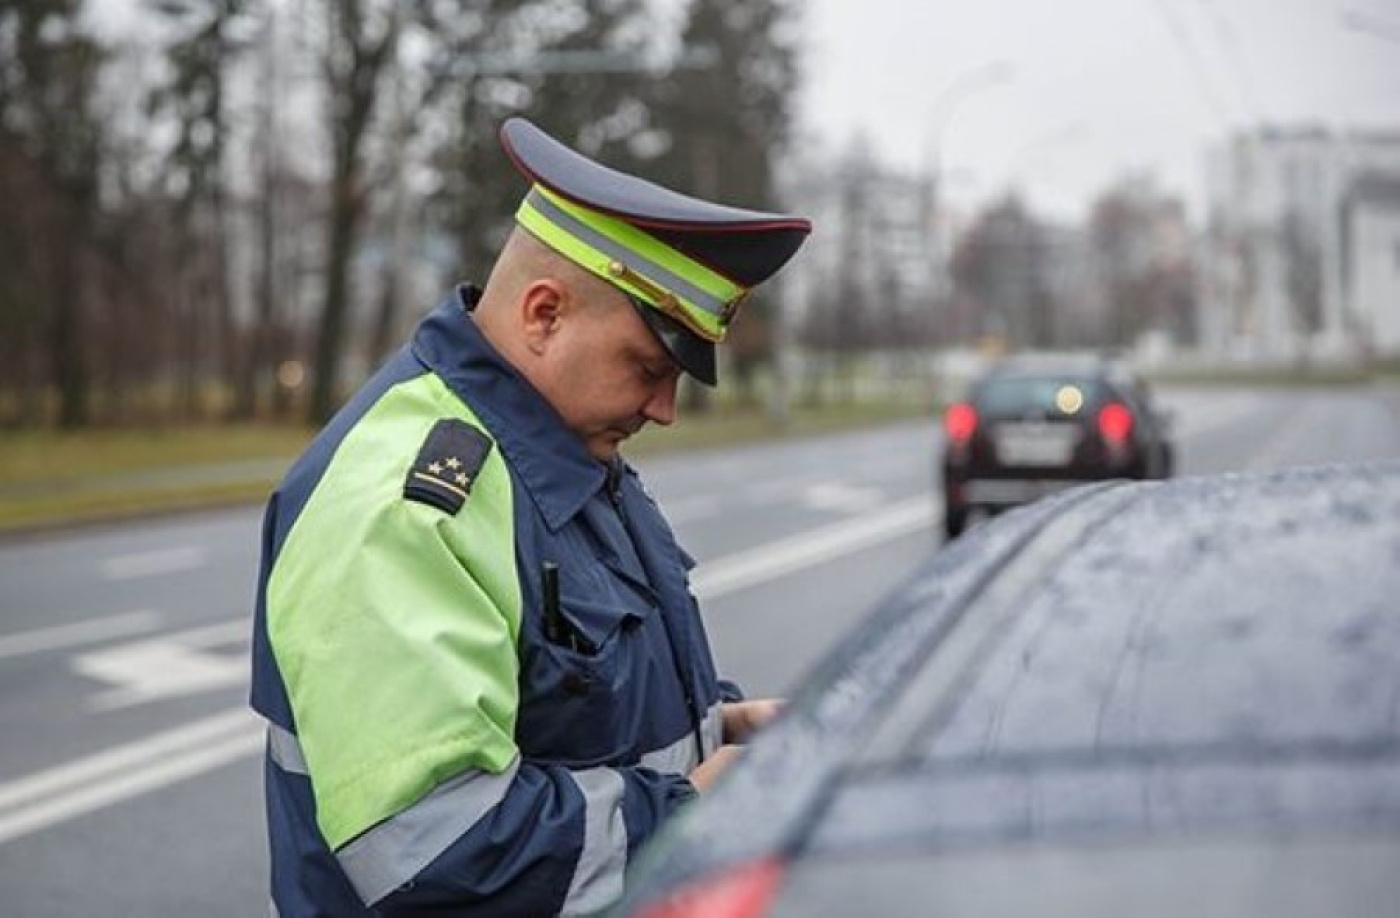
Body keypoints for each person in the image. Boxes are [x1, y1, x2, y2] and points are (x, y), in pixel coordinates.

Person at [249, 116, 812, 917]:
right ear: (543, 314)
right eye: (649, 367)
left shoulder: (565, 455)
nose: (664, 409)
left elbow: (568, 709)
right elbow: (434, 849)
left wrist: (721, 729)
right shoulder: (409, 502)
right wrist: (691, 814)